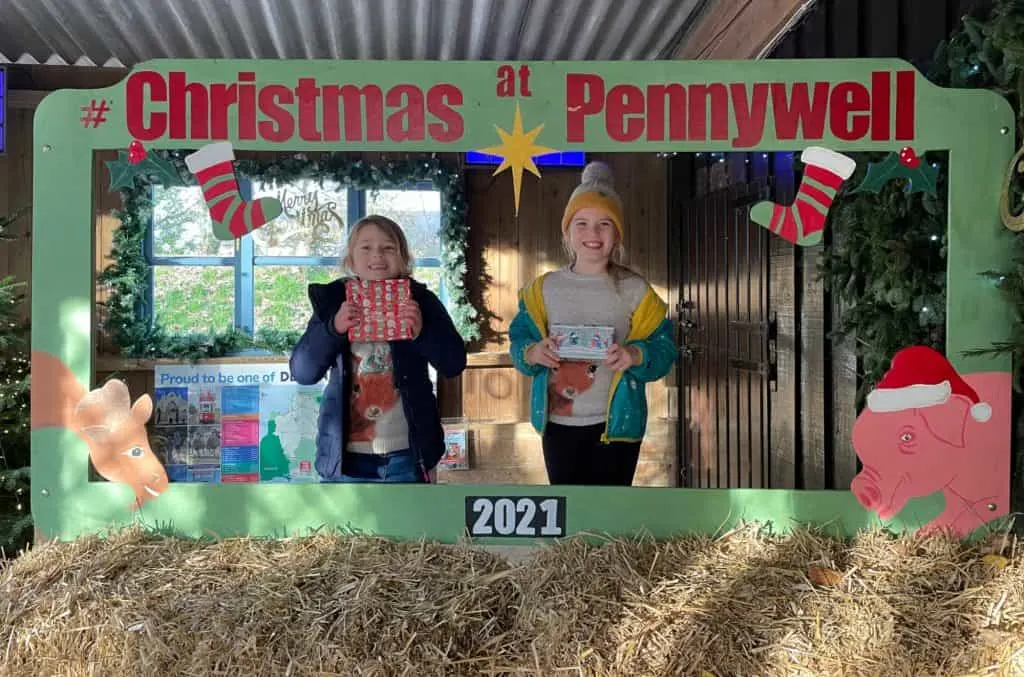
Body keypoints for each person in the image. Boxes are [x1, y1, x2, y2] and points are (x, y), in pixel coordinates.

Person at [509, 161, 676, 486]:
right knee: (570, 513)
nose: (593, 234)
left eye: (605, 224)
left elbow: (666, 350)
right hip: (557, 425)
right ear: (567, 233)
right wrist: (532, 353)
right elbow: (518, 341)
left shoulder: (636, 290)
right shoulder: (542, 290)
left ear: (618, 235)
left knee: (609, 515)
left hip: (617, 428)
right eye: (582, 223)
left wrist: (636, 355)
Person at [290, 214, 467, 483]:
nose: (377, 256)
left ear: (403, 258)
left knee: (410, 526)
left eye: (388, 248)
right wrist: (333, 328)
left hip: (409, 454)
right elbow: (303, 371)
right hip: (346, 458)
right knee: (348, 526)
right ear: (350, 259)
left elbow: (454, 363)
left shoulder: (421, 301)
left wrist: (422, 333)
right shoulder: (333, 302)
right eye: (366, 247)